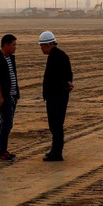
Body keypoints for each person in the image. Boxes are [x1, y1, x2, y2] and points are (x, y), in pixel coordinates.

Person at [39, 30, 73, 161]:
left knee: (56, 125)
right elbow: (69, 75)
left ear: (48, 44)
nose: (41, 49)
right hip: (58, 96)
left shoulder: (56, 57)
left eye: (42, 46)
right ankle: (55, 150)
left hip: (56, 97)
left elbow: (59, 78)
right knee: (56, 125)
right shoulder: (59, 55)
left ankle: (57, 153)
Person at [0, 34, 20, 161]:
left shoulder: (11, 58)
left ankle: (4, 150)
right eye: (13, 45)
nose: (15, 47)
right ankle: (1, 152)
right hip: (5, 97)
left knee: (8, 124)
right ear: (6, 45)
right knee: (5, 123)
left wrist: (15, 95)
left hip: (12, 96)